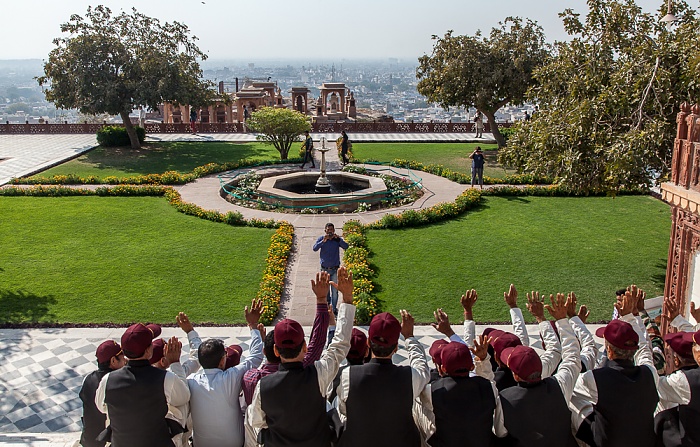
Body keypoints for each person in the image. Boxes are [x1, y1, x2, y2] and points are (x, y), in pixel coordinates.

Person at [248, 268, 356, 447]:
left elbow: (257, 423)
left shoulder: (264, 386)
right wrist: (345, 300)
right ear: (305, 347)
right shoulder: (318, 374)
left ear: (276, 351)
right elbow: (340, 345)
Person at [570, 286, 659, 447]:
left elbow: (566, 384)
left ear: (609, 350)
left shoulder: (594, 378)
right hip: (643, 440)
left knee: (570, 399)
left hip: (607, 441)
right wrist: (632, 316)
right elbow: (645, 348)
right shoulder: (650, 373)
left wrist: (571, 320)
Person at [496, 293, 581, 446]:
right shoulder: (559, 385)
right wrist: (558, 320)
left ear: (515, 376)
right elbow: (571, 356)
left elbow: (500, 433)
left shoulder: (503, 398)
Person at [336, 310, 430, 447]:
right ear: (396, 347)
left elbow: (344, 410)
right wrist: (409, 337)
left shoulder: (348, 375)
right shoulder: (411, 377)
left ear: (368, 342)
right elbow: (422, 368)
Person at [95, 323, 191, 447]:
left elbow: (101, 407)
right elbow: (184, 396)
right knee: (181, 403)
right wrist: (175, 363)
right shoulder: (165, 378)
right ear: (148, 351)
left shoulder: (108, 380)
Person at [187, 299, 264, 447]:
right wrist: (253, 326)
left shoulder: (190, 380)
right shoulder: (230, 377)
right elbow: (256, 357)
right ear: (222, 361)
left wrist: (190, 332)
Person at [426, 339, 506, 447]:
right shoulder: (488, 386)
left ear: (443, 368)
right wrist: (483, 360)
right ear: (472, 367)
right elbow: (487, 381)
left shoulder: (431, 390)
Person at [79, 340, 126, 447]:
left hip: (89, 441)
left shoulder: (88, 379)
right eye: (123, 356)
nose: (125, 360)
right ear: (113, 360)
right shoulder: (118, 383)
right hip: (108, 442)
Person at [312, 222, 349, 314]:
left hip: (335, 269)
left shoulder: (337, 240)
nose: (330, 232)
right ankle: (328, 306)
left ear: (334, 231)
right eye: (328, 230)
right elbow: (314, 248)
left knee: (335, 291)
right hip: (324, 270)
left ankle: (333, 309)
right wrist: (322, 241)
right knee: (326, 290)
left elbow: (346, 246)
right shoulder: (322, 239)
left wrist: (339, 239)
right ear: (325, 231)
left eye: (331, 230)